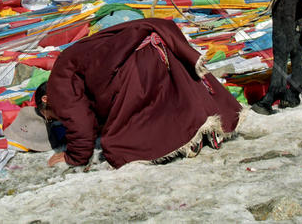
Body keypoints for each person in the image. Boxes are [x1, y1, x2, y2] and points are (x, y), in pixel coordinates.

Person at [35, 17, 243, 169]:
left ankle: (185, 138)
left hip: (134, 66)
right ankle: (204, 132)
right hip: (154, 47)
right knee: (175, 100)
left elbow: (79, 120)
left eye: (49, 117)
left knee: (120, 139)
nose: (56, 119)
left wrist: (75, 157)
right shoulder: (68, 61)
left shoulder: (57, 85)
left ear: (46, 100)